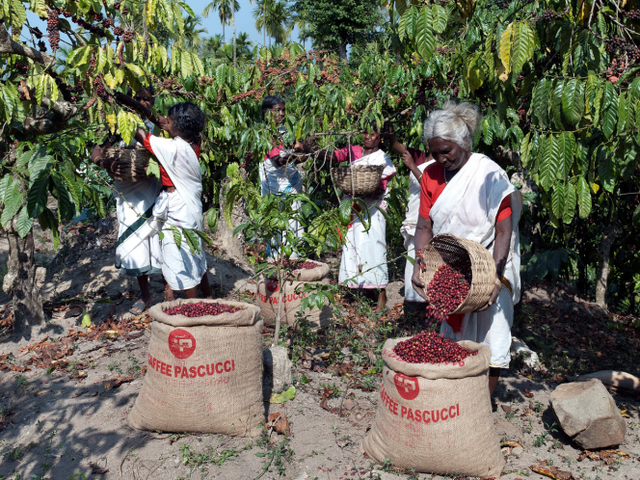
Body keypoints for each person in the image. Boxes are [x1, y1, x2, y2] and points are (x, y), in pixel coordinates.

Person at [411, 101, 521, 394]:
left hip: (492, 261)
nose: (440, 158)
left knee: (492, 338)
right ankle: (457, 398)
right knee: (453, 340)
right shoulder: (431, 176)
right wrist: (418, 264)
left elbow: (503, 229)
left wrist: (495, 278)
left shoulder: (488, 173)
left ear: (463, 143)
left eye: (446, 151)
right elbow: (424, 227)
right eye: (434, 152)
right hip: (454, 265)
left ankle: (482, 404)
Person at [90, 86, 162, 315]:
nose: (141, 102)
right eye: (136, 98)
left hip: (152, 188)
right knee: (134, 242)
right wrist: (105, 163)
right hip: (127, 192)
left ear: (153, 101)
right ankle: (146, 295)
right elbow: (97, 150)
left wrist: (152, 170)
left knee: (162, 238)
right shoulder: (117, 125)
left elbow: (169, 156)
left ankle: (169, 292)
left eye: (146, 99)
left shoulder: (156, 128)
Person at [333, 128, 397, 312]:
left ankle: (380, 295)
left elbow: (379, 188)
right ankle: (359, 290)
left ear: (381, 137)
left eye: (374, 134)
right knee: (353, 248)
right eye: (366, 133)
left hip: (372, 210)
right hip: (353, 208)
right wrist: (307, 148)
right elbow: (335, 156)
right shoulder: (354, 151)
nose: (368, 137)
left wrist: (363, 188)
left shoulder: (383, 159)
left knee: (374, 248)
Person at [386, 131, 434, 306]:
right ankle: (413, 299)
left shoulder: (442, 165)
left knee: (426, 258)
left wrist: (413, 167)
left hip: (427, 219)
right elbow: (396, 145)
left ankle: (426, 301)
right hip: (414, 216)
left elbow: (432, 190)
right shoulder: (420, 156)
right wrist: (389, 131)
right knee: (413, 258)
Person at [258, 95, 307, 258]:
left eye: (283, 110)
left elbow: (303, 152)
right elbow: (279, 162)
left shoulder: (284, 133)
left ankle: (292, 254)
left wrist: (301, 148)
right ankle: (278, 255)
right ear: (267, 113)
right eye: (277, 110)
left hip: (289, 183)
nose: (281, 113)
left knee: (293, 218)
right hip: (276, 184)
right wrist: (299, 151)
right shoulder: (265, 134)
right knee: (280, 218)